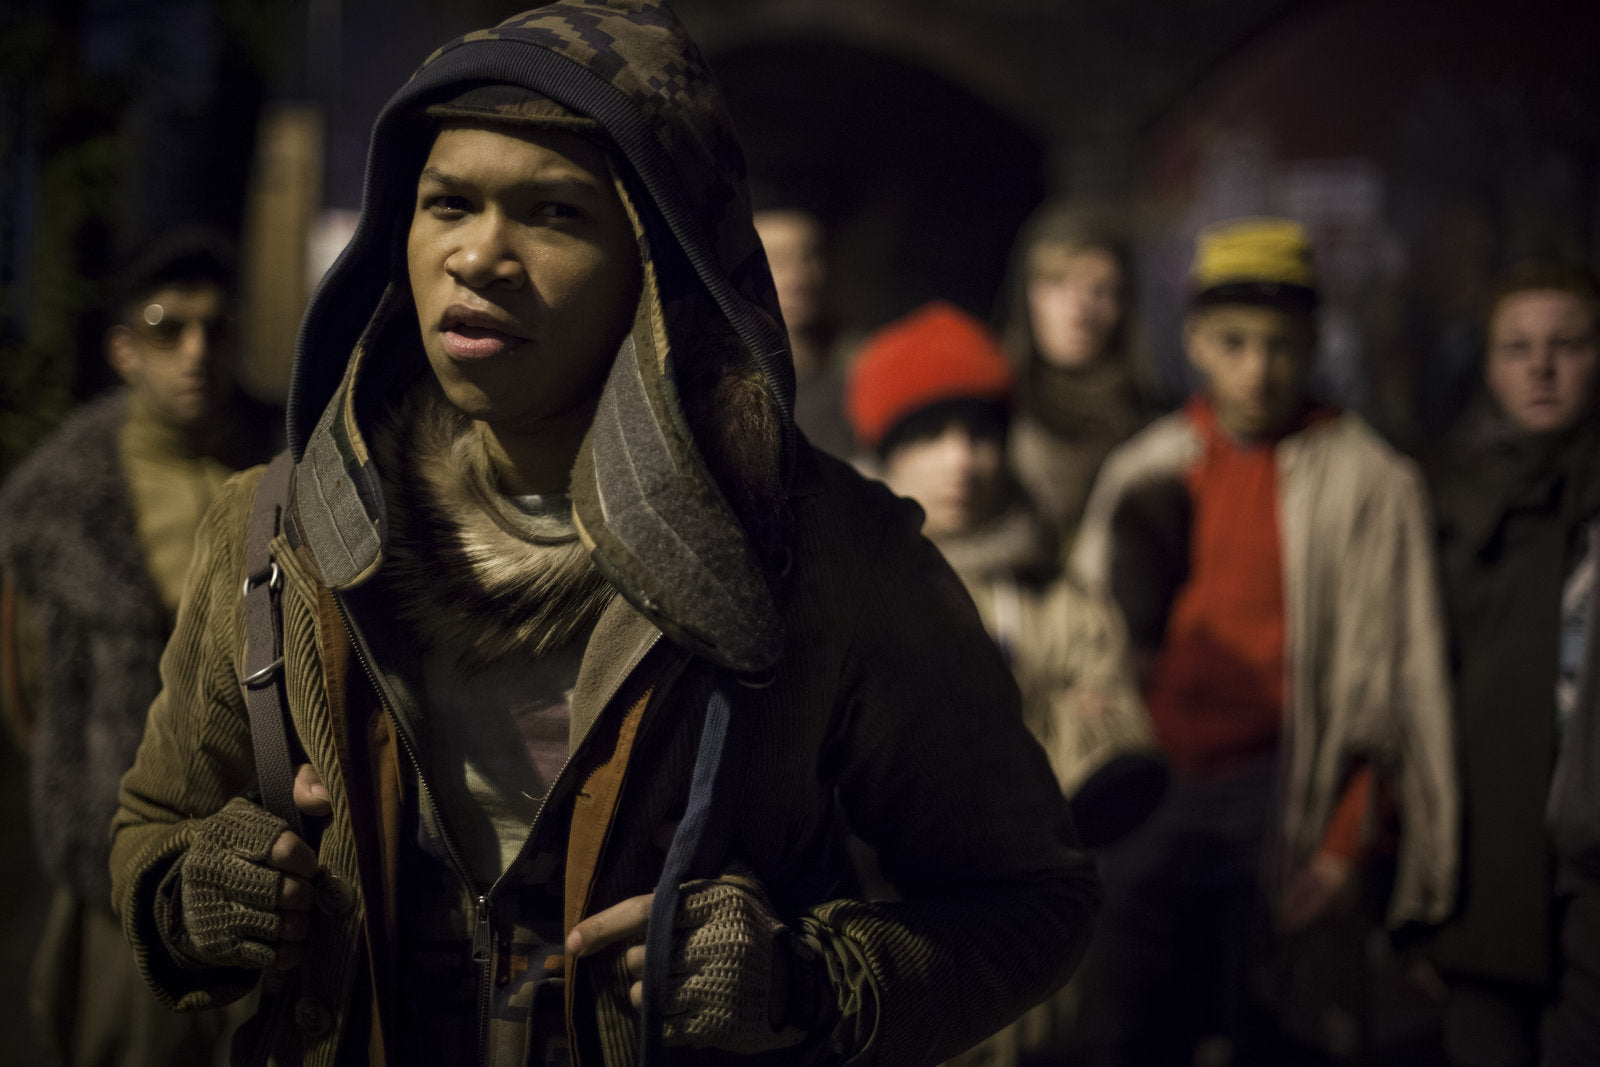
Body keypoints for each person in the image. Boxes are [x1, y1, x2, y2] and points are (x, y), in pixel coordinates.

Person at [108, 5, 1100, 1065]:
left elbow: (1030, 896)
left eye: (554, 213)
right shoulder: (279, 531)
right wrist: (192, 896)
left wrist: (805, 982)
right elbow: (152, 827)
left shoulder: (828, 555)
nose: (479, 256)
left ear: (658, 259)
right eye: (448, 203)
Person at [1071, 217, 1459, 1065]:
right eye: (1234, 342)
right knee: (1125, 1026)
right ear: (1195, 342)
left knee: (1277, 1027)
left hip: (1279, 789)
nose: (1258, 368)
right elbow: (1085, 637)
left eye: (1280, 344)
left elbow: (1391, 684)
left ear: (1313, 341)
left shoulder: (1368, 482)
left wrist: (1342, 844)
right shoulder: (1148, 467)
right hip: (1156, 785)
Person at [847, 302, 1163, 1064]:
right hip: (891, 958)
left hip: (1037, 968)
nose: (961, 461)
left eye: (980, 435)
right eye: (929, 435)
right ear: (885, 453)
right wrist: (1044, 723)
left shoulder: (1058, 598)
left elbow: (1113, 764)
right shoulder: (846, 597)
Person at [0, 230, 274, 1065]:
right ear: (124, 349)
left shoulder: (296, 465)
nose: (195, 351)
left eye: (215, 328)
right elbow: (26, 687)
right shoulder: (59, 504)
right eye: (167, 328)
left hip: (279, 864)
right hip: (124, 864)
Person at [1425, 262, 1600, 1067]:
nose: (1542, 368)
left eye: (1568, 344)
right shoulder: (1453, 501)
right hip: (1483, 859)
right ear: (1489, 364)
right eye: (1518, 347)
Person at [1000, 200, 1154, 546]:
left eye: (1101, 290)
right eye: (1056, 284)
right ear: (1026, 295)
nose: (1079, 311)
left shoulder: (1148, 426)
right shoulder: (990, 411)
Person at [752, 205, 854, 458]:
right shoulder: (718, 377)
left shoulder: (860, 363)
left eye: (808, 257)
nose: (798, 277)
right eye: (776, 259)